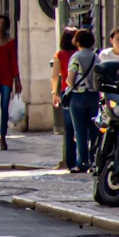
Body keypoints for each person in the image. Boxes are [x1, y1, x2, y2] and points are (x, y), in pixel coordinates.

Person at [64, 29, 99, 172]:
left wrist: (69, 82)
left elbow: (70, 79)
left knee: (80, 131)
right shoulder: (96, 57)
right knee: (94, 130)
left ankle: (82, 161)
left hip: (78, 96)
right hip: (93, 96)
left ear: (77, 41)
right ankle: (95, 160)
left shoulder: (75, 57)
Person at [0, 14, 21, 150]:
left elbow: (14, 61)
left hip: (7, 78)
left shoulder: (11, 42)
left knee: (4, 107)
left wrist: (17, 79)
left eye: (3, 23)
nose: (0, 25)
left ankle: (3, 136)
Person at [51, 26, 78, 171]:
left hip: (65, 92)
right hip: (77, 92)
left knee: (69, 128)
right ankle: (82, 159)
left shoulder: (59, 55)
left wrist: (54, 93)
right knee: (80, 127)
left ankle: (70, 161)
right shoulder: (80, 53)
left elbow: (55, 76)